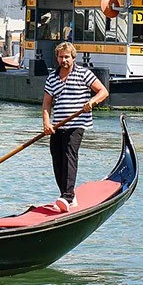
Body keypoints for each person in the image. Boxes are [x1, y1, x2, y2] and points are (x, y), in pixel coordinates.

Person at [42, 41, 109, 213]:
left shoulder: (84, 74)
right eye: (60, 57)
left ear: (73, 57)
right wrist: (47, 124)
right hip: (58, 125)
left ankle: (67, 197)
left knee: (69, 155)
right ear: (57, 58)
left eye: (66, 57)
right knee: (56, 157)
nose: (63, 60)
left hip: (77, 124)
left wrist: (91, 102)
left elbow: (103, 92)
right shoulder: (52, 78)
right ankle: (67, 195)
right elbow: (46, 104)